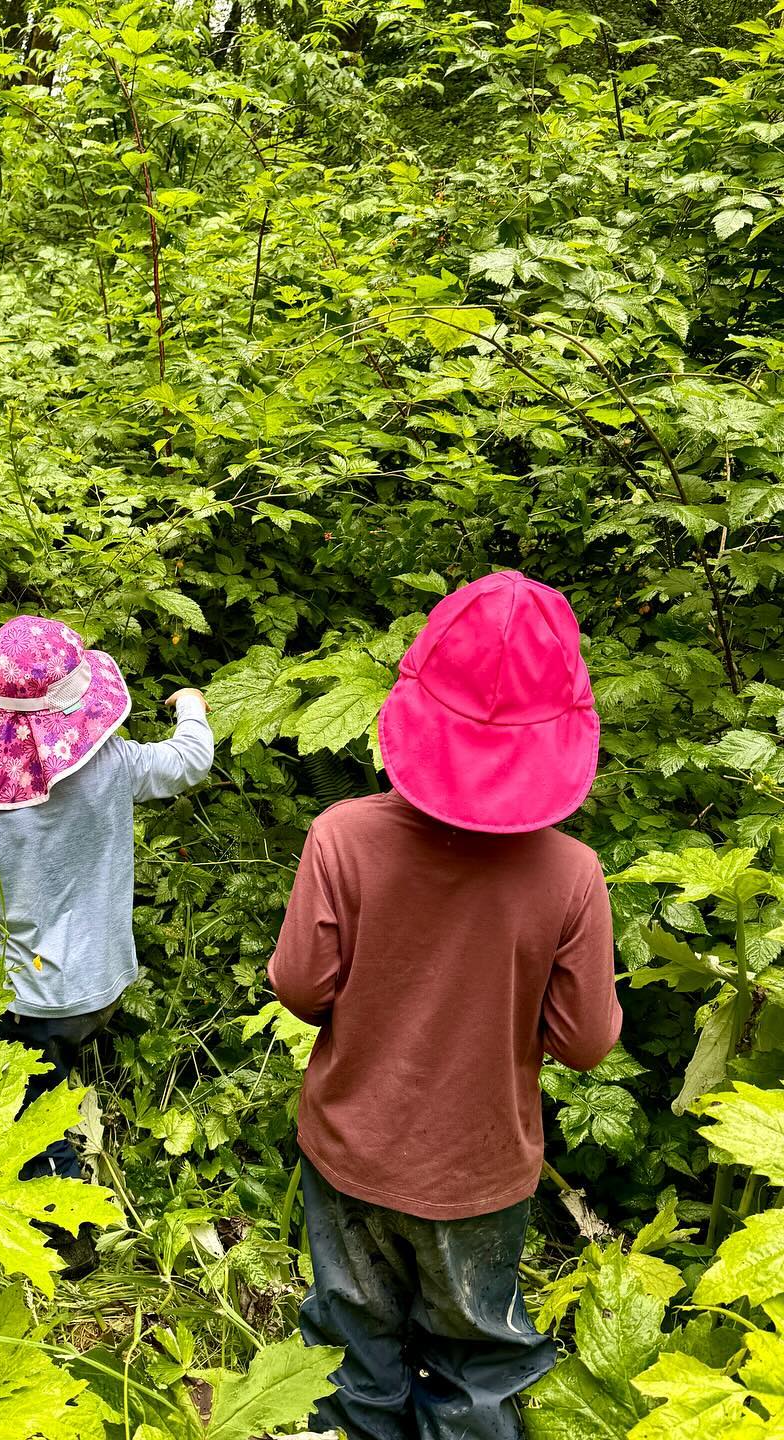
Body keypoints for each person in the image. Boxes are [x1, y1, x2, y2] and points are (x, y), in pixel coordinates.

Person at [268, 570, 621, 1440]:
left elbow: (302, 988)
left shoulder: (342, 837)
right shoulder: (571, 874)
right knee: (475, 1368)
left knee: (350, 1347)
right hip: (480, 1171)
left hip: (350, 1148)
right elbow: (584, 1044)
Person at [0, 617, 214, 1224]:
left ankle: (70, 1228)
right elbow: (188, 761)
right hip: (105, 976)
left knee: (27, 1114)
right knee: (57, 1068)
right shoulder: (111, 763)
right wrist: (190, 706)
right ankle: (77, 1128)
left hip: (29, 997)